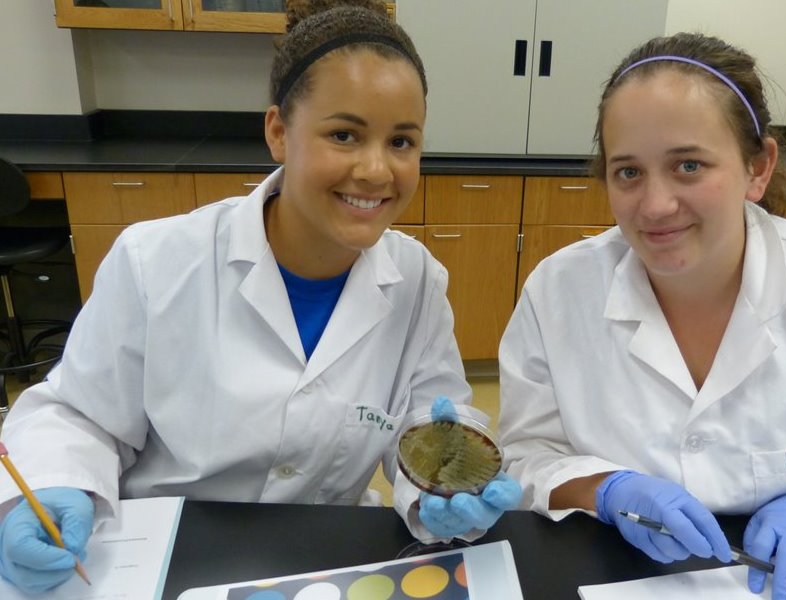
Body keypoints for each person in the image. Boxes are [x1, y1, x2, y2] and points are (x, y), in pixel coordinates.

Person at [0, 0, 519, 593]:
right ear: (278, 131)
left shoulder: (418, 279)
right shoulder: (157, 261)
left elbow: (431, 418)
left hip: (323, 561)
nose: (377, 171)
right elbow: (76, 413)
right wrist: (49, 484)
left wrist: (439, 494)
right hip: (169, 556)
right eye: (344, 134)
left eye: (402, 141)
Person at [498, 32, 786, 600]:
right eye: (628, 172)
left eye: (689, 165)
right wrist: (605, 488)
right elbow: (525, 455)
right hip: (607, 569)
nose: (654, 205)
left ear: (758, 168)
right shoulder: (559, 290)